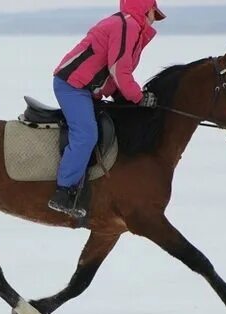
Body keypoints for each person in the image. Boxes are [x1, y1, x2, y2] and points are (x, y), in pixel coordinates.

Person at [48, 0, 166, 217]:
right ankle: (63, 192)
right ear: (145, 8)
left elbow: (112, 74)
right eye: (153, 13)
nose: (154, 19)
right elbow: (119, 70)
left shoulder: (131, 28)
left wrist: (126, 98)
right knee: (86, 135)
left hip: (87, 89)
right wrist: (138, 97)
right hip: (72, 85)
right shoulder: (127, 26)